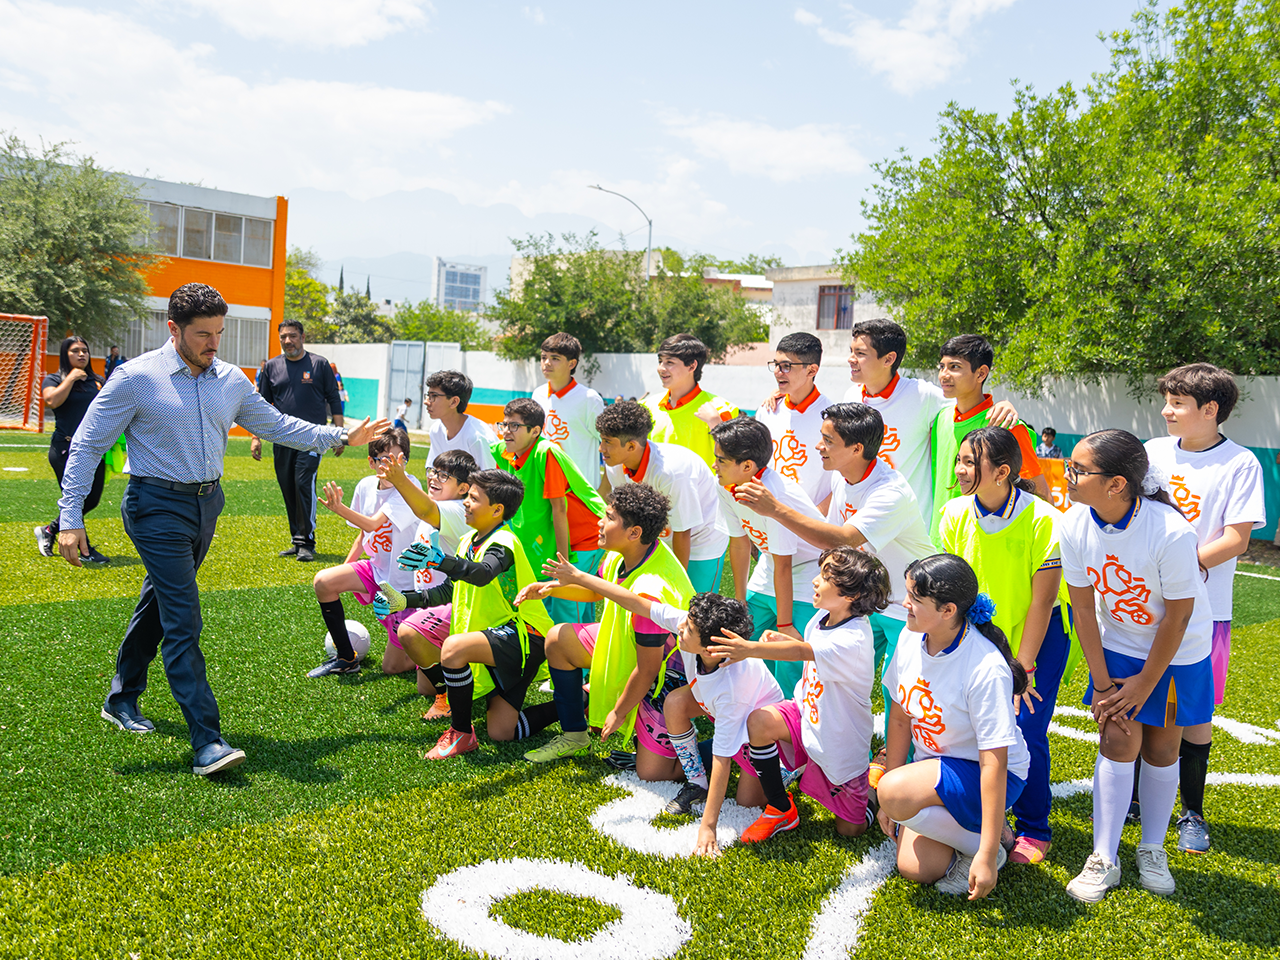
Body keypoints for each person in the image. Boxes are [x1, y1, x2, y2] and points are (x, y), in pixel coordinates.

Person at [55, 282, 388, 776]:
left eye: (220, 333)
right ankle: (206, 740)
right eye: (203, 334)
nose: (214, 343)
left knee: (163, 600)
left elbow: (276, 424)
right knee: (183, 618)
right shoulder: (135, 378)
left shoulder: (230, 378)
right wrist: (70, 518)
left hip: (207, 506)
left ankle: (121, 697)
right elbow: (86, 446)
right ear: (174, 329)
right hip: (153, 507)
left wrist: (338, 435)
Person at [1059, 430, 1214, 903]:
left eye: (1080, 471)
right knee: (1116, 739)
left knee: (1163, 750)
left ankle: (1152, 849)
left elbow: (1181, 614)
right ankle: (1104, 857)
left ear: (1117, 484)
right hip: (1121, 646)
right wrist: (1103, 683)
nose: (1069, 477)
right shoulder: (1073, 524)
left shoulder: (1169, 530)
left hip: (1176, 651)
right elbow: (1083, 609)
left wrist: (1147, 682)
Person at [731, 403, 934, 723]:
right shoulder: (844, 476)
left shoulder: (889, 492)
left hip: (904, 604)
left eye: (827, 440)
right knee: (836, 684)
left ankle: (896, 763)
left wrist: (776, 509)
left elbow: (841, 539)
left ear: (856, 449)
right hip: (867, 601)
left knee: (901, 692)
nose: (818, 446)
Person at [1144, 364, 1265, 854]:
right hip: (1141, 603)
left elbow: (1235, 539)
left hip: (1203, 609)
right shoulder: (1151, 452)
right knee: (1142, 697)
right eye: (1167, 401)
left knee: (1192, 713)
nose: (1166, 411)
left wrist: (1180, 568)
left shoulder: (1240, 463)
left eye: (1177, 403)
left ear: (1209, 410)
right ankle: (1138, 796)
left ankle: (1191, 811)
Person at [938, 427, 1071, 865]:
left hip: (1039, 638)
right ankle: (992, 819)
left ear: (1003, 472)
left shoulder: (1043, 519)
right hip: (982, 638)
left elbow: (1043, 600)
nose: (959, 470)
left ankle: (1036, 828)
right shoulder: (953, 513)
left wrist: (1023, 667)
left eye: (970, 463)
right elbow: (954, 589)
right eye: (959, 459)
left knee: (1024, 730)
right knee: (975, 729)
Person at [710, 547, 889, 845]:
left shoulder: (855, 637)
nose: (816, 581)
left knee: (850, 830)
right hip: (805, 713)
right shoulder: (824, 615)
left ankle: (874, 777)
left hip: (838, 740)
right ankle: (780, 807)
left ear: (851, 596)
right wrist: (785, 638)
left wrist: (751, 648)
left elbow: (806, 651)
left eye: (825, 576)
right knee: (759, 723)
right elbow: (810, 648)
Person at [878, 554, 1031, 899]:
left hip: (990, 775)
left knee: (892, 791)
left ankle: (989, 845)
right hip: (937, 768)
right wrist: (894, 802)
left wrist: (986, 856)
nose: (904, 604)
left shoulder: (984, 667)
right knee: (917, 869)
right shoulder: (909, 636)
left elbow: (994, 762)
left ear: (948, 610)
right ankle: (982, 835)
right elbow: (901, 717)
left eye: (915, 599)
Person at [517, 484, 694, 775]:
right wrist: (549, 589)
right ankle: (574, 734)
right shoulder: (624, 551)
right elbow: (598, 592)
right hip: (627, 641)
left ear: (634, 532)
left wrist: (618, 712)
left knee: (653, 773)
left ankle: (726, 751)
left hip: (666, 672)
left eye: (608, 517)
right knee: (558, 639)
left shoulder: (652, 588)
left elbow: (648, 669)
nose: (599, 522)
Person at [395, 470, 560, 758]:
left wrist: (439, 559)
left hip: (526, 635)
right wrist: (403, 600)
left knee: (454, 649)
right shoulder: (468, 539)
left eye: (473, 498)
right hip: (502, 636)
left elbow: (483, 574)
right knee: (501, 732)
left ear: (497, 510)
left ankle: (461, 733)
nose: (465, 503)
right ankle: (581, 700)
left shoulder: (505, 542)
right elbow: (449, 591)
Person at [843, 318, 1019, 524]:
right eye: (851, 351)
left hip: (908, 528)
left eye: (860, 353)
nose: (851, 359)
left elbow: (968, 402)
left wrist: (1003, 405)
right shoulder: (850, 397)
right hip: (858, 518)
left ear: (889, 359)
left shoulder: (923, 395)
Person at [710, 416, 824, 694]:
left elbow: (785, 565)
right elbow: (739, 544)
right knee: (739, 638)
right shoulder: (725, 484)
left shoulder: (774, 494)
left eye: (721, 460)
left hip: (807, 576)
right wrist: (739, 602)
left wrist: (785, 625)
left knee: (790, 659)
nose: (714, 466)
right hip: (769, 570)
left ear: (747, 467)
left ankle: (788, 722)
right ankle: (753, 709)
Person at [307, 428, 420, 679]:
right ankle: (346, 658)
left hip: (404, 586)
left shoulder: (411, 485)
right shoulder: (366, 486)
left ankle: (431, 650)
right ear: (371, 462)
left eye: (399, 461)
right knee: (324, 581)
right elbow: (364, 534)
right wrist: (343, 569)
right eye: (385, 460)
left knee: (391, 668)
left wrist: (339, 508)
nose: (393, 467)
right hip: (375, 571)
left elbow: (373, 524)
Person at [378, 450, 476, 718]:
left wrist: (400, 480)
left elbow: (425, 508)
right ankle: (453, 670)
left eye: (444, 475)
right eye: (433, 471)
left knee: (412, 636)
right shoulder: (435, 509)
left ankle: (450, 692)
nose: (434, 478)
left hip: (456, 608)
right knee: (423, 687)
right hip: (431, 602)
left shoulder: (456, 510)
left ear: (463, 488)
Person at [493, 397, 607, 625]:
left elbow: (559, 508)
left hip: (583, 539)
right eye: (504, 424)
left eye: (514, 426)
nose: (506, 431)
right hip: (562, 540)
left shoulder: (545, 453)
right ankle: (580, 657)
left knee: (566, 607)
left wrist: (564, 563)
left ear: (535, 431)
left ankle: (572, 658)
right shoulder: (506, 452)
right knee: (574, 607)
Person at [598, 401, 730, 593]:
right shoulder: (615, 464)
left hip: (701, 538)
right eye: (601, 440)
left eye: (608, 442)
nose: (601, 448)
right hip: (661, 535)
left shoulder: (671, 472)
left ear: (632, 446)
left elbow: (683, 531)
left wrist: (676, 584)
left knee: (696, 607)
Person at [928, 334, 1048, 543]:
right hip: (939, 542)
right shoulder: (941, 419)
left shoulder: (1007, 425)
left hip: (986, 545)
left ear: (981, 373)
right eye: (942, 366)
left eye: (955, 367)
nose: (944, 375)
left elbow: (1040, 494)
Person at [251, 320, 346, 563]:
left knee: (303, 482)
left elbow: (334, 398)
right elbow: (261, 406)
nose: (287, 341)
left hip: (313, 439)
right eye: (283, 337)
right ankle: (297, 540)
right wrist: (256, 437)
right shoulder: (272, 366)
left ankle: (307, 542)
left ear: (302, 337)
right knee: (288, 486)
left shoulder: (319, 364)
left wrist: (339, 434)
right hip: (282, 438)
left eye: (292, 336)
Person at [35, 336, 111, 566]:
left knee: (93, 499)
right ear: (64, 355)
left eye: (85, 350)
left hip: (92, 449)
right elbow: (51, 401)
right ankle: (85, 550)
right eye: (75, 351)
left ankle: (49, 529)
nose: (81, 354)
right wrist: (70, 379)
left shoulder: (97, 381)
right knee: (75, 498)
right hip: (64, 449)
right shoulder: (54, 379)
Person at [754, 332, 834, 508]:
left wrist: (815, 520)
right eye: (775, 364)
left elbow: (844, 477)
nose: (777, 372)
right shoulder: (767, 410)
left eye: (786, 366)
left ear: (811, 370)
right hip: (770, 519)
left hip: (813, 525)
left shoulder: (832, 418)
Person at [642, 334, 739, 468]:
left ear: (692, 366)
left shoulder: (722, 409)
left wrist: (716, 424)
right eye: (660, 361)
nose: (661, 368)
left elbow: (736, 460)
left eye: (669, 362)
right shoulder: (646, 406)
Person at [532, 332, 605, 486]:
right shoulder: (537, 395)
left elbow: (611, 445)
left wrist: (603, 491)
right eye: (544, 357)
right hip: (545, 489)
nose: (546, 363)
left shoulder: (589, 398)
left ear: (571, 364)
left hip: (580, 494)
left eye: (555, 358)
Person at [425, 370, 496, 470]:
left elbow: (489, 482)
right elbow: (432, 470)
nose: (426, 402)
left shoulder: (477, 438)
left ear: (454, 402)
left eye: (434, 396)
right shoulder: (436, 430)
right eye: (428, 395)